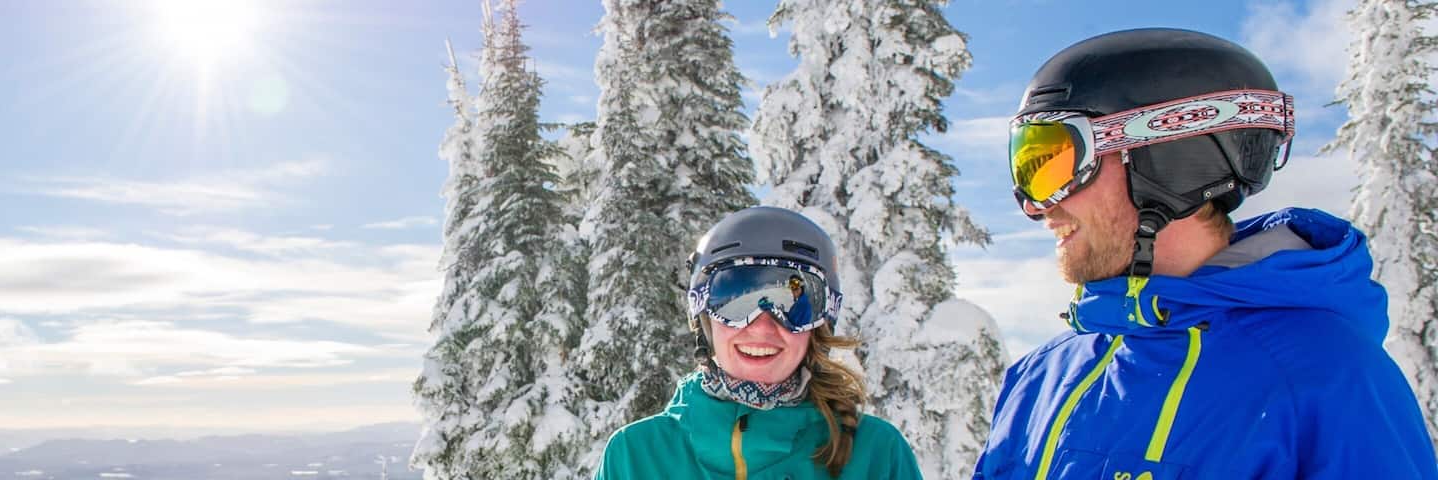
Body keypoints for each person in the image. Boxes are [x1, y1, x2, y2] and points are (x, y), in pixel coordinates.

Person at [974, 28, 1438, 479]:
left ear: (1169, 160)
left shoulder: (1330, 377)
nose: (1036, 205)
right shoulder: (1039, 377)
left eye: (1055, 162)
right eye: (1028, 167)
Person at [596, 206, 921, 479]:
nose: (763, 327)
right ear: (704, 317)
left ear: (820, 323)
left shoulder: (876, 454)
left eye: (794, 307)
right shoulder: (635, 457)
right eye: (735, 299)